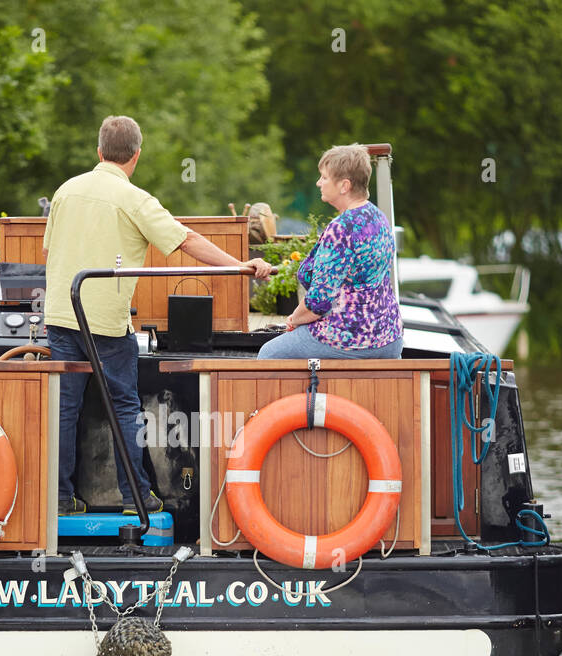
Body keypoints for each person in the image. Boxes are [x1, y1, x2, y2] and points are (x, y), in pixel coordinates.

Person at [43, 115, 272, 516]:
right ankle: (135, 498)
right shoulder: (134, 199)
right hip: (105, 322)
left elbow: (48, 253)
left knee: (65, 408)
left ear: (98, 152)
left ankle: (61, 500)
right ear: (136, 155)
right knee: (125, 406)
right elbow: (188, 240)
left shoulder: (65, 191)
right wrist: (239, 266)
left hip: (62, 314)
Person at [258, 144, 403, 359]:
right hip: (389, 336)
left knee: (268, 354)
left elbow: (319, 301)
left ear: (344, 185)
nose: (318, 183)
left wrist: (293, 319)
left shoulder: (342, 228)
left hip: (350, 337)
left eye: (324, 177)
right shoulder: (379, 218)